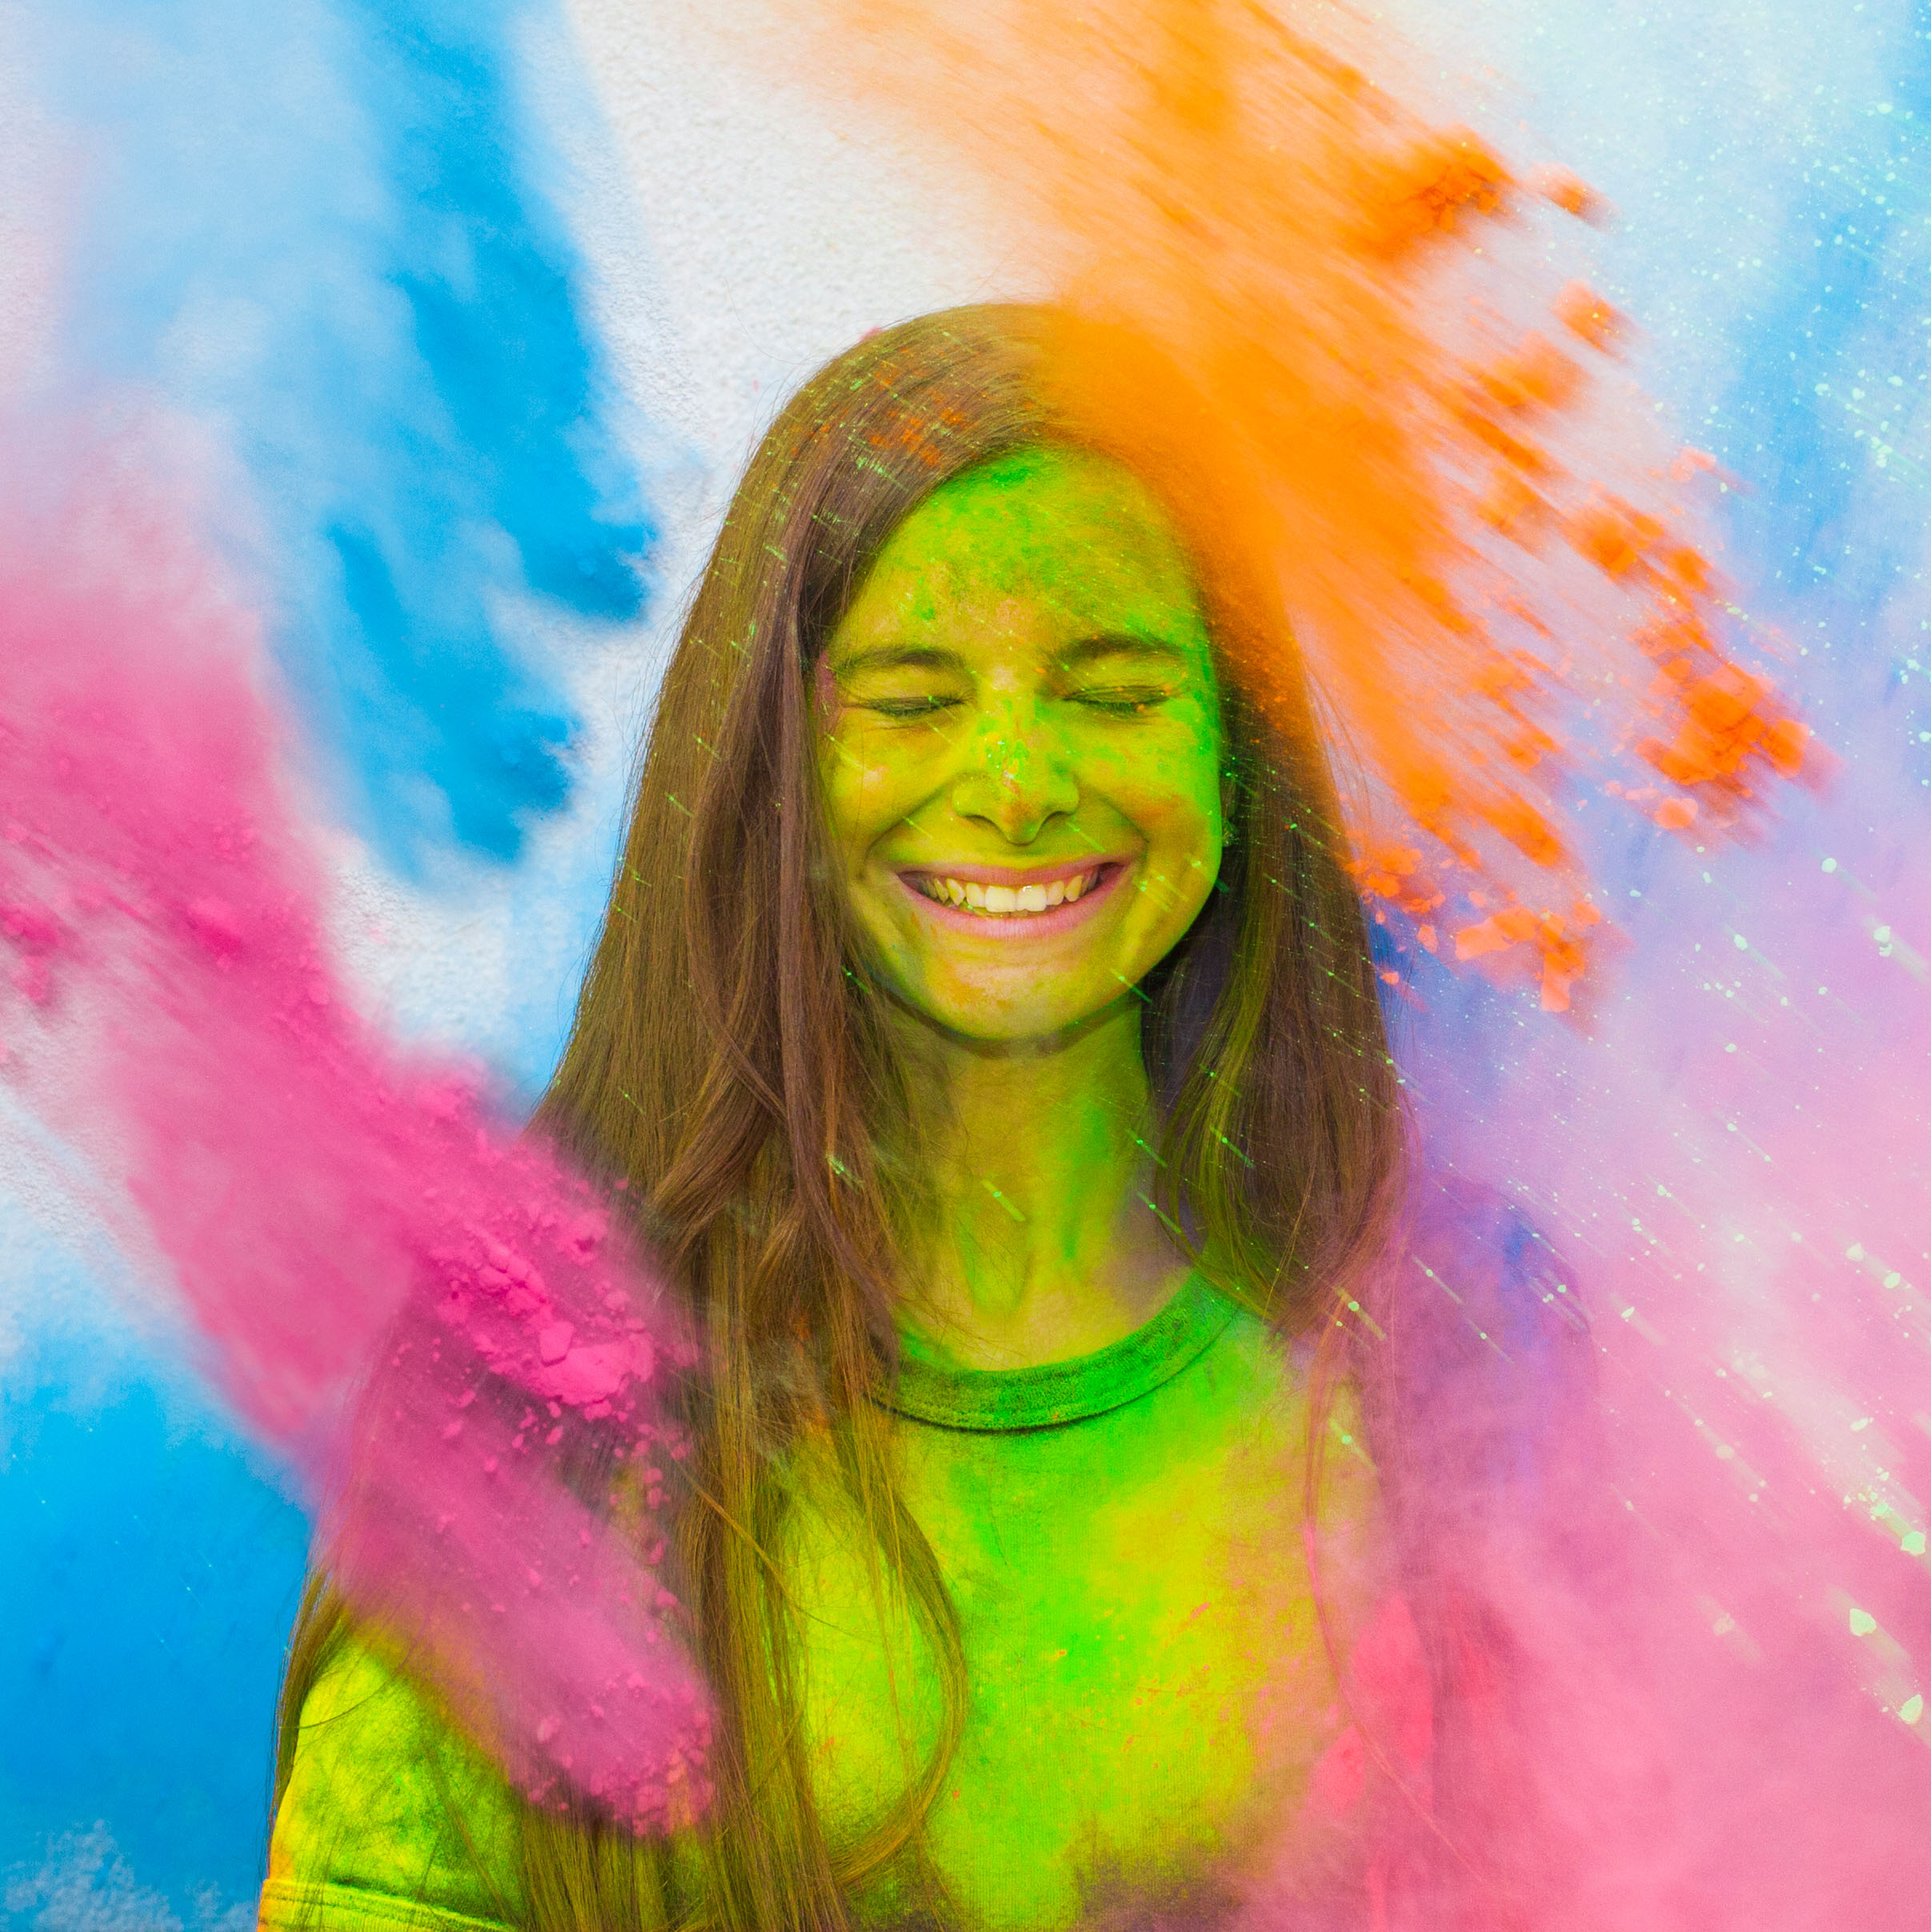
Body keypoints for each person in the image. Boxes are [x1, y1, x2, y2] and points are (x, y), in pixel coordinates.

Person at [259, 305, 1414, 1932]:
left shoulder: (1437, 1384)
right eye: (912, 697)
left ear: (1236, 756)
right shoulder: (541, 1413)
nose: (1016, 778)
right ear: (776, 767)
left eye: (1111, 686)